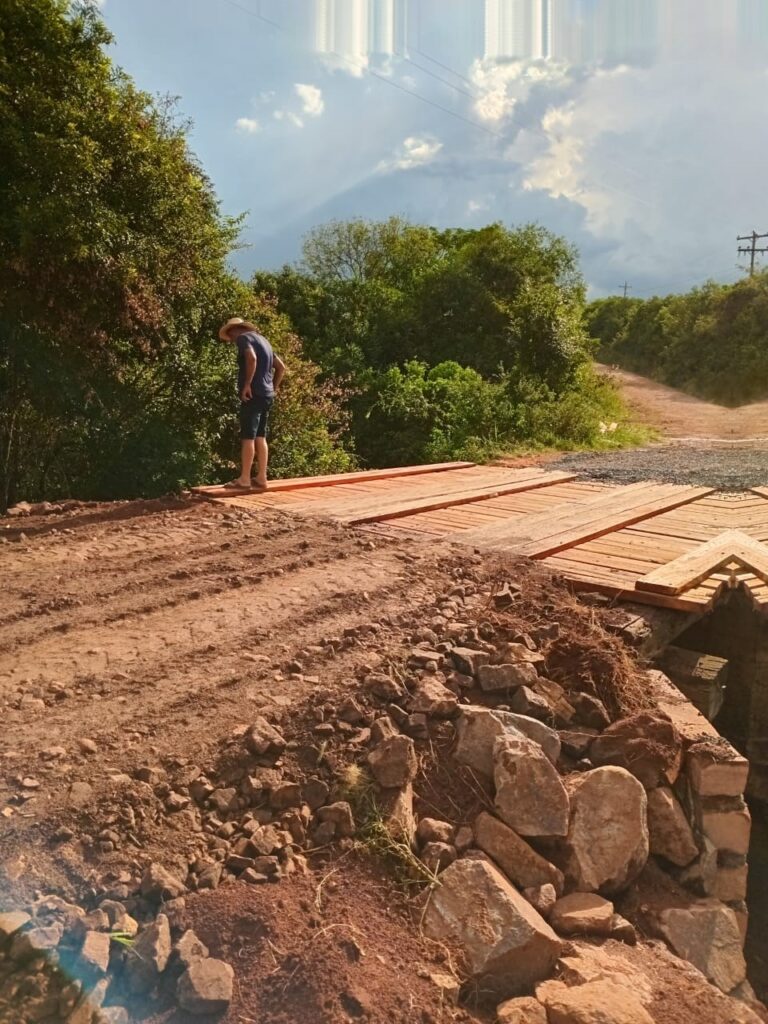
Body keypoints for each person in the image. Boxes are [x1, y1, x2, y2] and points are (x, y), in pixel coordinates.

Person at [218, 317, 287, 489]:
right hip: (266, 395)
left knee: (248, 436)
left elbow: (252, 358)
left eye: (230, 336)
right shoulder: (264, 341)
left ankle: (244, 479)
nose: (231, 340)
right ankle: (262, 477)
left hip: (253, 394)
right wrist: (273, 388)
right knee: (260, 435)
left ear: (234, 330)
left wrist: (247, 384)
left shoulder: (243, 338)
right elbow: (281, 367)